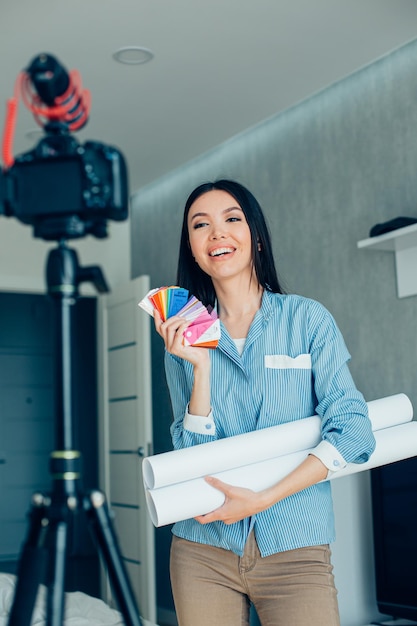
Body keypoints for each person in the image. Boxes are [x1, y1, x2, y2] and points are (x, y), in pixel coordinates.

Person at [154, 179, 376, 626]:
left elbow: (354, 430)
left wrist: (262, 499)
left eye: (231, 219)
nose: (217, 234)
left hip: (296, 546)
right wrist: (201, 369)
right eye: (201, 225)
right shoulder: (181, 338)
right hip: (203, 549)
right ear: (193, 249)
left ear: (255, 236)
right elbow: (191, 456)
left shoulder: (308, 319)